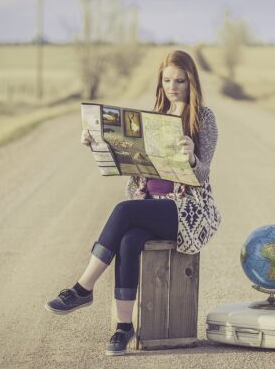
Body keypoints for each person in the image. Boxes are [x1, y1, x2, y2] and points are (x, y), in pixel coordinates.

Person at [45, 50, 221, 356]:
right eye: (167, 80)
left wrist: (192, 155)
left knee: (123, 210)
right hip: (151, 203)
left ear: (191, 81)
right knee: (128, 240)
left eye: (180, 80)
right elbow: (128, 157)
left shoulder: (204, 118)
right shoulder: (153, 117)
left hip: (187, 211)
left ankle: (83, 288)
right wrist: (96, 143)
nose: (173, 86)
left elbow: (204, 172)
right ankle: (124, 328)